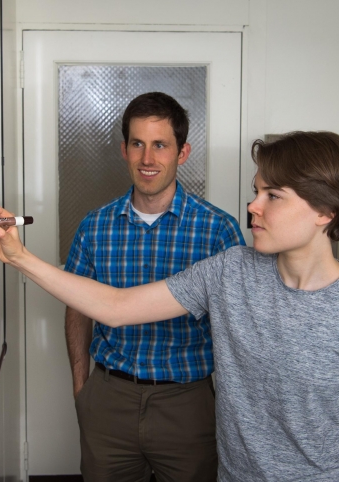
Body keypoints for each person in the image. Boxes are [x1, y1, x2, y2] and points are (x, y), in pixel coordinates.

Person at [0, 130, 339, 481]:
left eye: (272, 196)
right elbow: (116, 306)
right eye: (256, 192)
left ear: (325, 211)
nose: (252, 206)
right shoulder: (231, 270)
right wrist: (18, 257)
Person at [63, 92, 245, 481]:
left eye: (160, 145)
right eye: (138, 144)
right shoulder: (94, 227)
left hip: (188, 403)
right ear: (124, 150)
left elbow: (237, 326)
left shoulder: (218, 230)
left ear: (182, 152)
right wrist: (82, 389)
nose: (148, 159)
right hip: (109, 398)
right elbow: (76, 307)